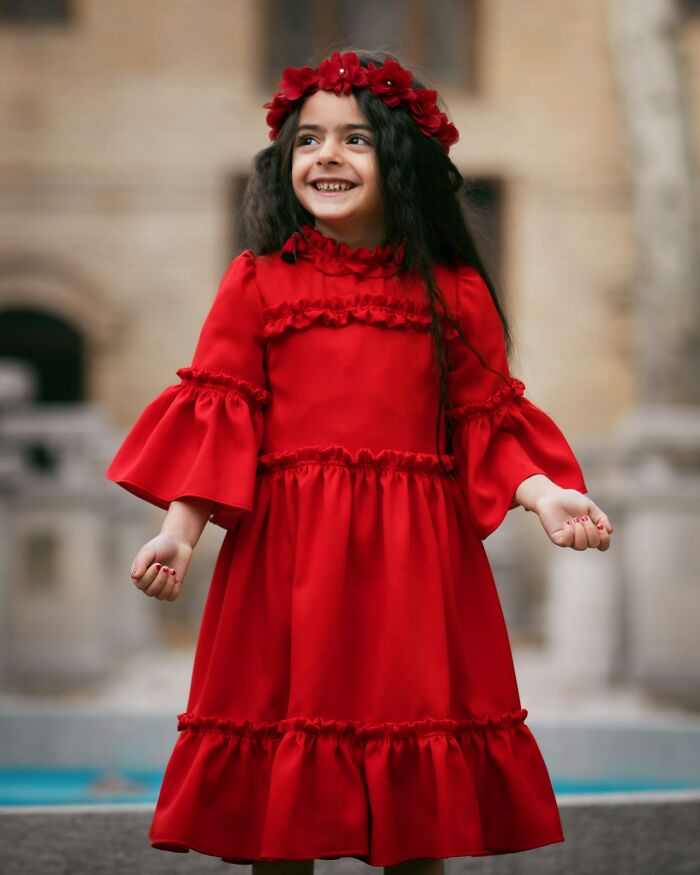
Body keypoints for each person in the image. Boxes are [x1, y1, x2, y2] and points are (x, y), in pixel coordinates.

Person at [104, 47, 613, 874]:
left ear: (400, 161)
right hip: (285, 560)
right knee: (281, 796)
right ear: (285, 161)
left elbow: (483, 421)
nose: (327, 156)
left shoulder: (455, 293)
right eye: (308, 141)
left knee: (418, 808)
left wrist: (544, 492)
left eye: (355, 140)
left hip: (416, 565)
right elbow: (223, 414)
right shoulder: (256, 283)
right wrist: (179, 532)